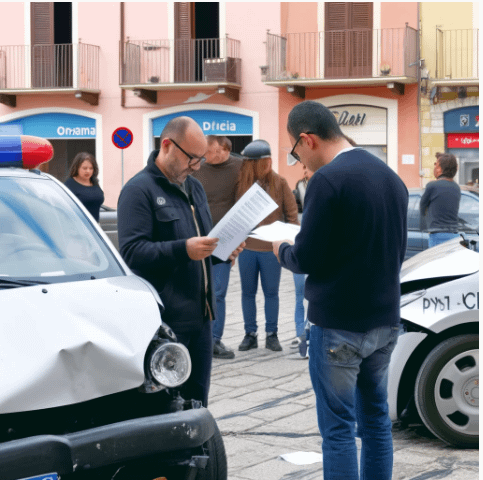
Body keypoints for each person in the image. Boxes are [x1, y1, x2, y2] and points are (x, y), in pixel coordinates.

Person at [273, 101, 408, 480]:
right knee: (377, 421)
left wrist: (283, 250)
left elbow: (309, 257)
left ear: (307, 140)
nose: (298, 159)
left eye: (294, 150)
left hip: (338, 325)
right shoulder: (390, 177)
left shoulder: (327, 181)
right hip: (384, 321)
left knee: (338, 431)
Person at [117, 117, 243, 408]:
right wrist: (183, 249)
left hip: (201, 318)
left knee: (198, 403)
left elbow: (200, 247)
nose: (197, 166)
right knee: (166, 407)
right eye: (192, 158)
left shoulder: (194, 188)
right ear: (167, 146)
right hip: (166, 322)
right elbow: (133, 253)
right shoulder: (139, 190)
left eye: (201, 159)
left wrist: (222, 253)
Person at [237, 139, 299, 352]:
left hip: (271, 250)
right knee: (247, 293)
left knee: (271, 293)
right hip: (247, 249)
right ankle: (250, 334)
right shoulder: (242, 184)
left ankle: (272, 334)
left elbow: (292, 215)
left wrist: (288, 243)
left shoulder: (280, 183)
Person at [192, 135, 242, 360]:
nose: (205, 156)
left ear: (224, 150)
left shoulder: (240, 167)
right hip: (196, 238)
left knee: (218, 292)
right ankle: (199, 337)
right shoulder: (197, 169)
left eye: (210, 151)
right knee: (196, 290)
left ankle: (215, 340)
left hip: (224, 240)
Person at [420, 152, 461, 248]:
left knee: (437, 262)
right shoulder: (456, 187)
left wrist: (426, 223)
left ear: (440, 169)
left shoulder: (432, 186)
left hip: (437, 235)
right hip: (454, 235)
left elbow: (422, 207)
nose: (434, 167)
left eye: (436, 164)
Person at [65, 152, 104, 222]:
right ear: (77, 168)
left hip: (94, 226)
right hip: (77, 227)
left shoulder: (94, 182)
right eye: (84, 168)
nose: (88, 171)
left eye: (91, 168)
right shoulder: (70, 185)